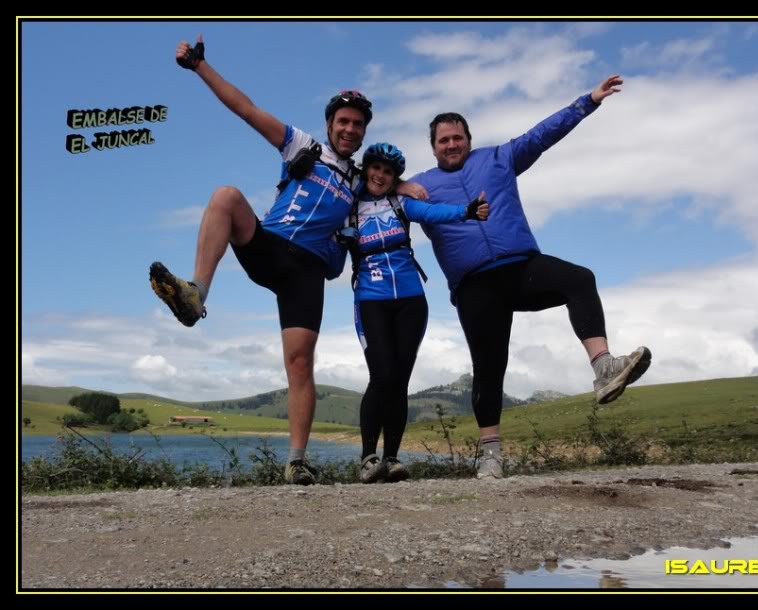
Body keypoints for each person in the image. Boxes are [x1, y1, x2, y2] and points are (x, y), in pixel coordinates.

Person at [148, 36, 421, 485]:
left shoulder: (361, 177)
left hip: (307, 273)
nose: (350, 129)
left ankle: (296, 461)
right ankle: (196, 293)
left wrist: (404, 185)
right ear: (330, 123)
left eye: (358, 125)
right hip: (271, 248)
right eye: (343, 121)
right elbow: (247, 109)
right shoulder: (303, 148)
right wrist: (200, 67)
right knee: (226, 197)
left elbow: (388, 179)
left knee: (299, 364)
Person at [409, 75, 651, 479]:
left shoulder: (501, 158)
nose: (451, 144)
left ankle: (605, 367)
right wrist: (399, 183)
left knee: (579, 278)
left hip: (521, 268)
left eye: (457, 137)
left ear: (469, 139)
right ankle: (490, 455)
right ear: (433, 147)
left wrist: (588, 101)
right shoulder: (421, 187)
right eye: (442, 140)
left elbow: (544, 133)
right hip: (474, 285)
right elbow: (374, 186)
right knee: (489, 366)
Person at [339, 143, 489, 483]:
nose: (380, 175)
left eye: (388, 172)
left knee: (400, 381)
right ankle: (367, 458)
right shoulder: (349, 204)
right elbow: (342, 181)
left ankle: (391, 458)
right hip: (370, 299)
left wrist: (466, 210)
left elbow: (432, 213)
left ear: (395, 178)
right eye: (375, 169)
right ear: (366, 170)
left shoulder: (400, 202)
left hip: (411, 300)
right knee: (382, 376)